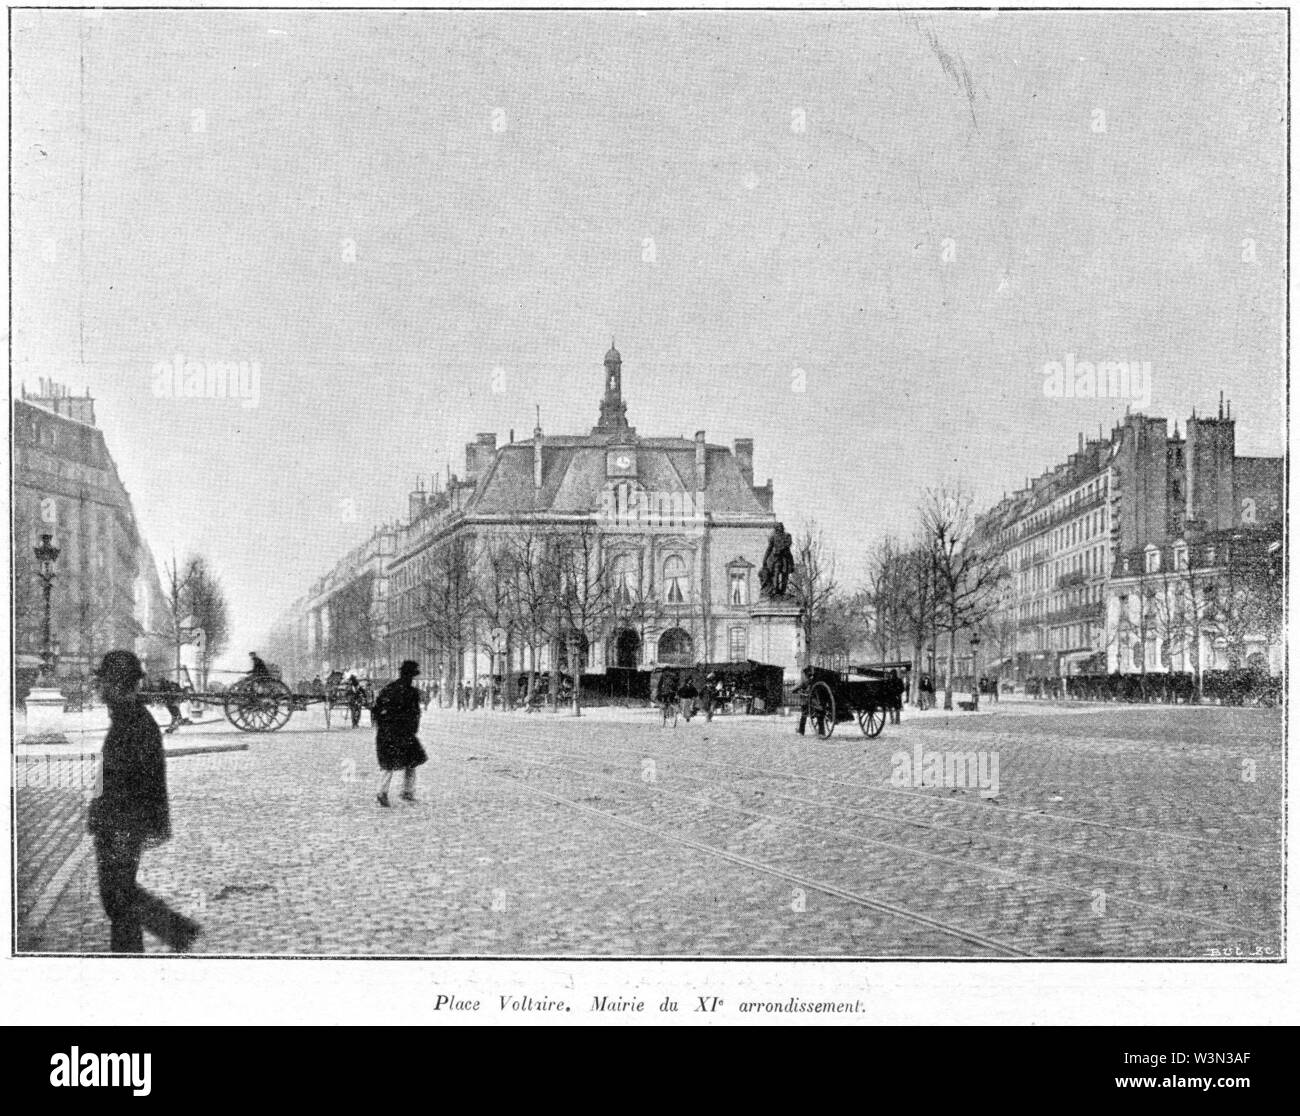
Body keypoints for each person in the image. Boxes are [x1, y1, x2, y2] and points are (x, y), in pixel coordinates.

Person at [87, 651, 201, 954]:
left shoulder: (134, 723)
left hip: (122, 825)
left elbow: (147, 779)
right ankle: (135, 955)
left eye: (103, 682)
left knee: (118, 897)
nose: (98, 689)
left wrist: (137, 823)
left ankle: (176, 931)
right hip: (118, 823)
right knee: (118, 900)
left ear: (116, 684)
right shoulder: (128, 718)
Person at [373, 660, 428, 807]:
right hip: (404, 733)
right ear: (411, 676)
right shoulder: (411, 692)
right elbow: (415, 714)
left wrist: (383, 725)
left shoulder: (389, 689)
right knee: (412, 762)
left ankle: (382, 792)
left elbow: (377, 709)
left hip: (387, 731)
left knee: (388, 764)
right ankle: (407, 791)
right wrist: (412, 729)